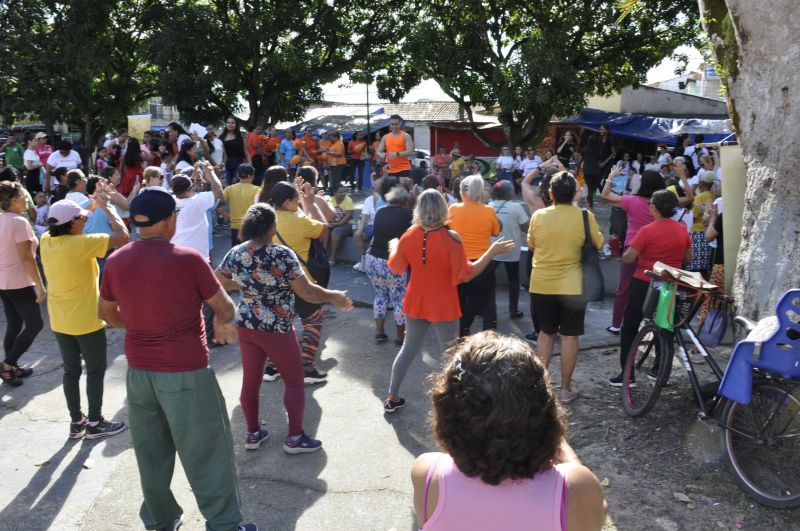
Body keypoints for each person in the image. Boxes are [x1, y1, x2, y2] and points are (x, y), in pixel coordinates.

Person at [98, 189, 258, 531]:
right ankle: (224, 524)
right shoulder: (188, 258)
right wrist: (220, 321)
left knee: (150, 452)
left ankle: (160, 519)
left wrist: (142, 320)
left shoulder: (116, 260)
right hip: (186, 371)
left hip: (139, 374)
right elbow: (226, 308)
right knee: (208, 452)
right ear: (171, 219)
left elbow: (107, 314)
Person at [412, 331, 608, 530]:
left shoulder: (426, 474)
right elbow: (597, 515)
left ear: (447, 415)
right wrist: (569, 457)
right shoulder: (576, 488)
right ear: (545, 414)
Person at [216, 203, 352, 455]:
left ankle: (253, 433)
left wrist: (248, 286)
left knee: (251, 380)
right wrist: (335, 296)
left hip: (247, 324)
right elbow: (308, 292)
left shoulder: (237, 252)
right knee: (294, 381)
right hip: (277, 328)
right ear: (271, 227)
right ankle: (295, 438)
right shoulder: (282, 255)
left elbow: (218, 281)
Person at [382, 189, 513, 412]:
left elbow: (395, 266)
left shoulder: (409, 234)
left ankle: (392, 397)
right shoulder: (450, 238)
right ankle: (457, 402)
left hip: (416, 301)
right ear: (443, 208)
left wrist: (393, 245)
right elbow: (466, 274)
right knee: (452, 355)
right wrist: (491, 251)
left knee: (407, 350)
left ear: (419, 209)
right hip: (443, 304)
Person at [40, 189, 129, 439]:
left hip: (60, 319)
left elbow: (68, 218)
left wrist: (92, 205)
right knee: (95, 369)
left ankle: (77, 422)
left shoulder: (47, 239)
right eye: (81, 218)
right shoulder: (82, 243)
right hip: (87, 319)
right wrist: (108, 207)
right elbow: (122, 236)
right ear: (72, 224)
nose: (86, 219)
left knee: (70, 371)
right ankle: (95, 422)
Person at [528, 169, 603, 403]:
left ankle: (541, 388)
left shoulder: (538, 216)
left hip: (541, 283)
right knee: (570, 337)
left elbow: (531, 245)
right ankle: (565, 389)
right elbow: (598, 243)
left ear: (550, 193)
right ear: (574, 193)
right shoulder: (584, 215)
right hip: (572, 285)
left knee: (545, 333)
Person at [611, 190, 691, 385]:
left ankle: (627, 375)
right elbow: (688, 258)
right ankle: (659, 370)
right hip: (670, 284)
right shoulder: (682, 229)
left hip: (644, 283)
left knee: (630, 326)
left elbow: (628, 257)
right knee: (666, 326)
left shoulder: (647, 230)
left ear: (654, 208)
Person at [263, 181, 330, 383]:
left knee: (279, 324)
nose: (298, 202)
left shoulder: (264, 218)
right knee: (313, 321)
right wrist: (309, 204)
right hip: (301, 282)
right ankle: (306, 367)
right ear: (287, 202)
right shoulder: (299, 221)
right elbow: (323, 229)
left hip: (272, 283)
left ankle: (271, 367)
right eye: (296, 200)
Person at [601, 169, 666, 335]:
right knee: (650, 288)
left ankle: (617, 324)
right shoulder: (662, 205)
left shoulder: (631, 201)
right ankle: (648, 325)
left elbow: (605, 196)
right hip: (654, 251)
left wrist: (610, 177)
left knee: (624, 288)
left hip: (632, 250)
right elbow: (687, 199)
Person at [0, 181, 45, 386]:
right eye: (23, 195)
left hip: (4, 281)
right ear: (13, 199)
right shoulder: (19, 222)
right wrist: (40, 284)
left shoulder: (3, 219)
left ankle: (12, 367)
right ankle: (7, 366)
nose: (27, 197)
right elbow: (27, 257)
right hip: (18, 282)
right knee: (35, 324)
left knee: (15, 324)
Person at [447, 175, 501, 336]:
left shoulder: (453, 209)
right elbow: (496, 231)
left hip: (460, 263)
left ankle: (462, 334)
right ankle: (489, 340)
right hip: (484, 262)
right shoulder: (489, 210)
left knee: (461, 302)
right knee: (488, 304)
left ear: (462, 191)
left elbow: (447, 230)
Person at [365, 184, 413, 345]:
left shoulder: (380, 211)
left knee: (380, 296)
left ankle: (379, 331)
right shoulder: (408, 215)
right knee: (399, 298)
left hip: (373, 259)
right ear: (405, 201)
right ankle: (400, 336)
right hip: (394, 261)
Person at [489, 180, 529, 319]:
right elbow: (526, 228)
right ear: (509, 193)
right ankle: (513, 311)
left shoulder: (489, 206)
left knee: (489, 281)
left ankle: (486, 311)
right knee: (513, 280)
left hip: (492, 250)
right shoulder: (516, 207)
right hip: (511, 250)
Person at [171, 162, 223, 261]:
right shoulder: (197, 202)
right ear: (190, 188)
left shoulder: (169, 201)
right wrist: (211, 172)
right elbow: (218, 190)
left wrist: (193, 176)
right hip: (197, 257)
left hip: (175, 254)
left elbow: (185, 189)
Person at [218, 164, 259, 247]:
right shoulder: (257, 190)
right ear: (252, 176)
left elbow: (218, 207)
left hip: (235, 228)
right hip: (250, 227)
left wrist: (226, 216)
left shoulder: (229, 189)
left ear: (237, 175)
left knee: (236, 254)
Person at [688, 171, 717, 278]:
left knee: (694, 269)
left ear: (702, 183)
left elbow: (693, 216)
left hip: (696, 235)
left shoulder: (700, 197)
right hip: (707, 233)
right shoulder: (713, 195)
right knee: (703, 268)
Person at [326, 185, 354, 264]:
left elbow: (349, 216)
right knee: (324, 230)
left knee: (336, 231)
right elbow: (326, 213)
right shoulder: (330, 200)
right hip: (333, 223)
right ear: (334, 193)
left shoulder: (348, 200)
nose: (343, 193)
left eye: (344, 191)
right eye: (340, 192)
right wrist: (328, 223)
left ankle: (333, 255)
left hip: (347, 224)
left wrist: (337, 224)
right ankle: (323, 254)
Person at [220, 116, 251, 185]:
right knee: (226, 186)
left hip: (238, 165)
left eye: (232, 123)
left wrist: (250, 165)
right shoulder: (221, 137)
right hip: (225, 165)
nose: (230, 124)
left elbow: (246, 152)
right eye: (228, 123)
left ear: (236, 125)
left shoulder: (240, 137)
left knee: (236, 185)